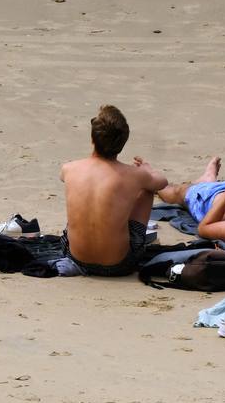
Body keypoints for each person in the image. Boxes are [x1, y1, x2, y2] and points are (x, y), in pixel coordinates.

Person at [60, 105, 168, 276]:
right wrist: (148, 170)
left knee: (82, 199)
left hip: (75, 257)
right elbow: (161, 183)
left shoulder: (69, 169)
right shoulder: (134, 175)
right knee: (147, 190)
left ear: (92, 138)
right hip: (119, 265)